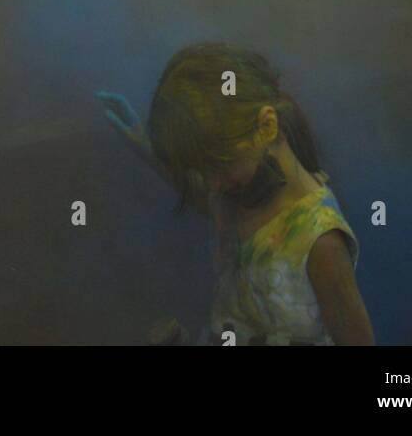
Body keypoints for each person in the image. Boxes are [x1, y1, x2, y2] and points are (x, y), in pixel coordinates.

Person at [99, 45, 373, 346]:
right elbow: (206, 198)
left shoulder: (320, 241)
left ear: (266, 127)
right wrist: (145, 144)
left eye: (219, 167)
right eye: (204, 173)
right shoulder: (237, 196)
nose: (213, 185)